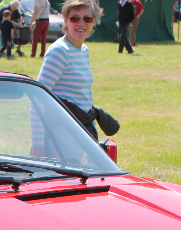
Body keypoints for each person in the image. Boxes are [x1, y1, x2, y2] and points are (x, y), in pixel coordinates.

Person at [34, 0, 119, 144]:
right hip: (61, 138)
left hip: (82, 133)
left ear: (93, 21)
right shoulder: (59, 51)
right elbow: (37, 98)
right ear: (65, 20)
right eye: (74, 18)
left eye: (87, 18)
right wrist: (38, 145)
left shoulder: (83, 50)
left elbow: (85, 98)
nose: (81, 23)